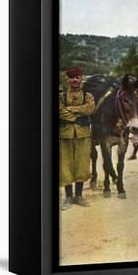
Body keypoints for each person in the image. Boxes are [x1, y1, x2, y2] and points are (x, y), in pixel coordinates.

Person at [59, 66, 95, 210]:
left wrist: (72, 109)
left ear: (81, 78)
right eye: (72, 77)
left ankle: (79, 196)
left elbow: (90, 109)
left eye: (77, 77)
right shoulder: (61, 96)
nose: (74, 80)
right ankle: (68, 197)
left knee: (82, 164)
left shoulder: (88, 95)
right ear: (67, 79)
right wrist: (78, 115)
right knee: (65, 165)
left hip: (83, 134)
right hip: (65, 134)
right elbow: (60, 112)